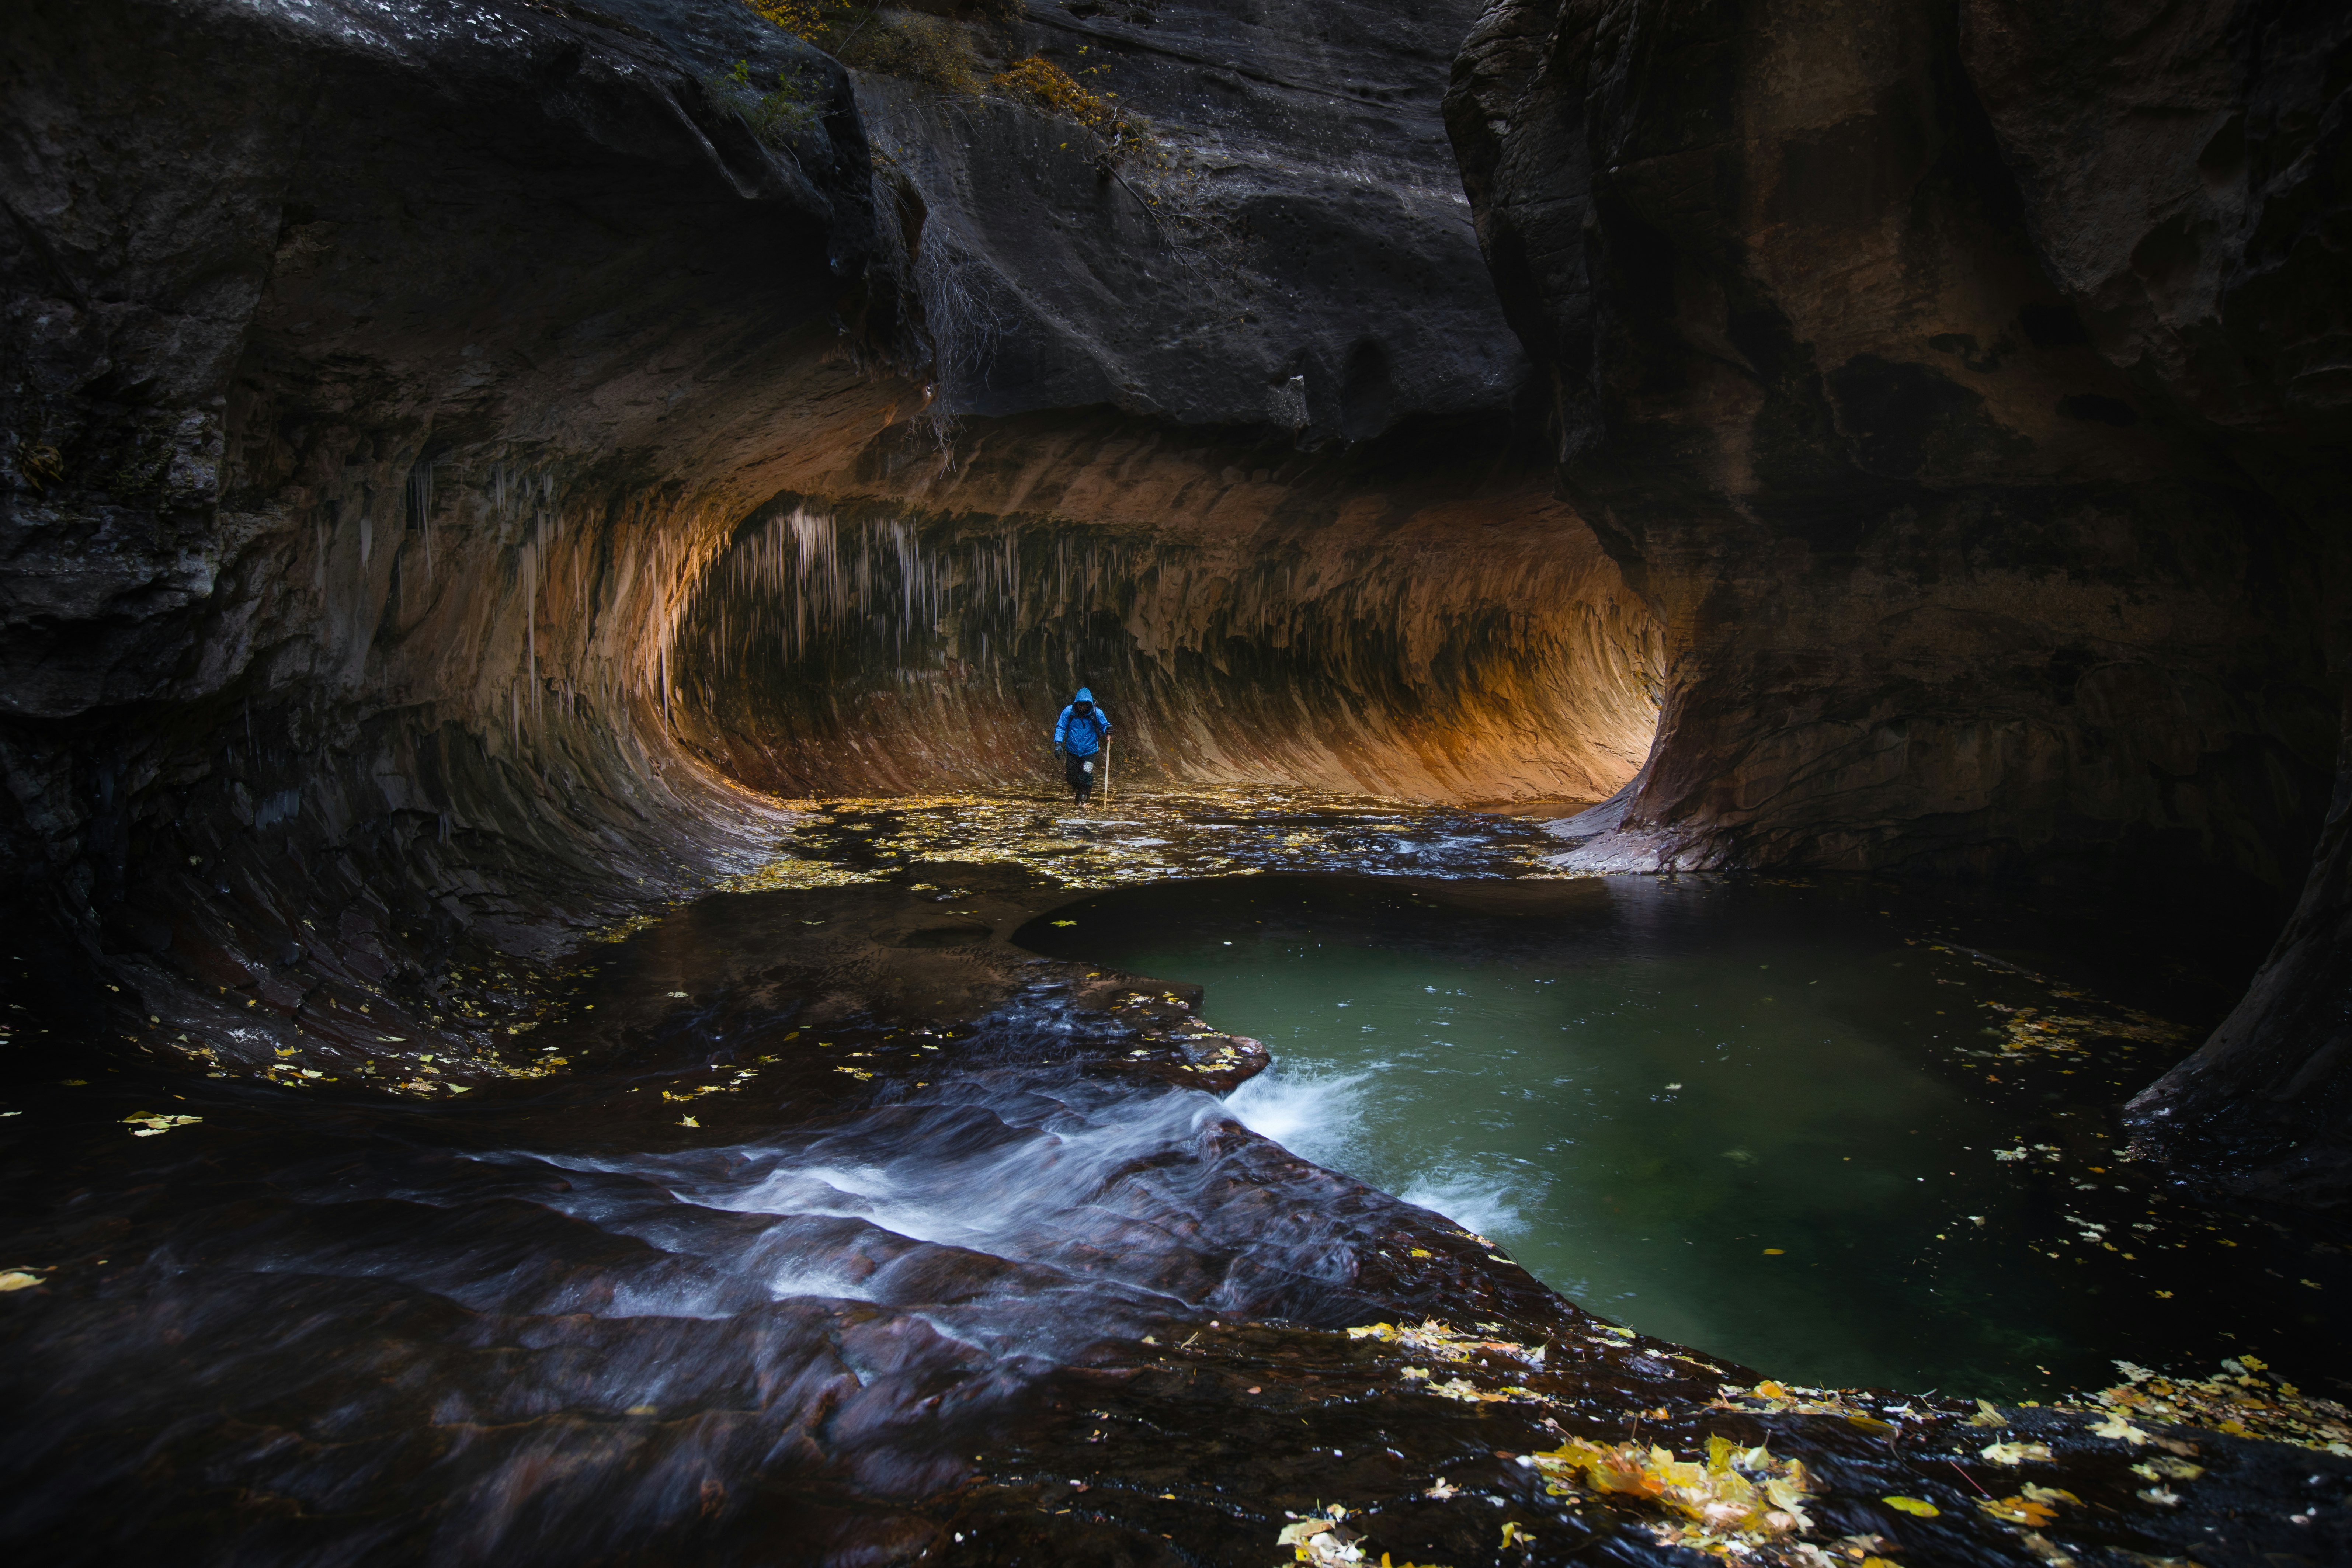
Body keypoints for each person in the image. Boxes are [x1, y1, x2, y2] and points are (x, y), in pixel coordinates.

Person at [1051, 687, 1112, 804]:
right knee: (1071, 776)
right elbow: (1061, 728)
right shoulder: (1069, 712)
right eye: (1081, 705)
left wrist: (1108, 730)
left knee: (1087, 774)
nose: (1083, 707)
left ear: (1090, 705)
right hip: (1072, 751)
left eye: (1085, 705)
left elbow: (1104, 726)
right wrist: (1058, 744)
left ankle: (1084, 800)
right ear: (1076, 703)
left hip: (1090, 753)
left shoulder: (1097, 713)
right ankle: (1079, 791)